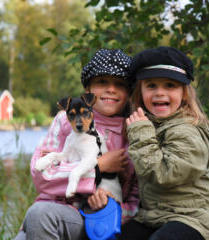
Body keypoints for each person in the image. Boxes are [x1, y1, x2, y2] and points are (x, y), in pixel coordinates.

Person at [15, 49, 139, 240]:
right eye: (102, 81)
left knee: (39, 215)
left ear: (130, 92)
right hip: (55, 214)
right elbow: (42, 176)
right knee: (35, 220)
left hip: (101, 223)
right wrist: (98, 167)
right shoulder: (64, 122)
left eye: (120, 84)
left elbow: (137, 201)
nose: (111, 89)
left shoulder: (135, 131)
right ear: (88, 90)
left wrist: (112, 207)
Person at [121, 46, 209, 240]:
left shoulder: (187, 131)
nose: (160, 93)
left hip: (192, 220)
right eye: (151, 85)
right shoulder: (147, 124)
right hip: (152, 217)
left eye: (169, 85)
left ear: (184, 93)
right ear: (140, 92)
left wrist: (142, 134)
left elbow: (165, 175)